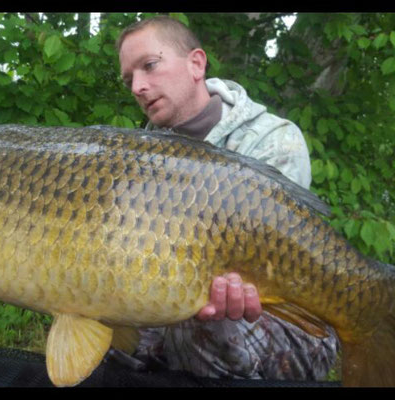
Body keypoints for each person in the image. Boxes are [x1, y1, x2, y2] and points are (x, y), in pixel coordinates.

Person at [116, 16, 339, 381]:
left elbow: (284, 264)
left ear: (196, 64)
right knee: (103, 322)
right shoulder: (139, 157)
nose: (139, 87)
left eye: (150, 66)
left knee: (200, 325)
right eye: (129, 80)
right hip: (190, 305)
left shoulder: (273, 140)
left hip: (293, 314)